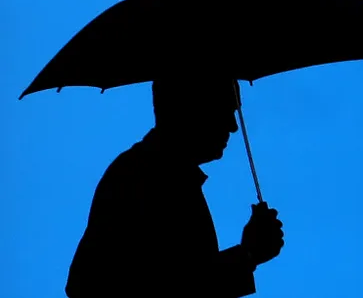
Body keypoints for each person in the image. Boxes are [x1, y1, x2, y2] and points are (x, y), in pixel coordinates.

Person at [65, 76, 285, 297]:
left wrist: (248, 255)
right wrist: (247, 254)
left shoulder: (156, 174)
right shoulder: (145, 179)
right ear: (190, 110)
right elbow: (181, 285)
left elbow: (183, 277)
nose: (233, 126)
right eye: (224, 110)